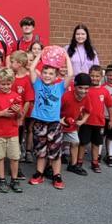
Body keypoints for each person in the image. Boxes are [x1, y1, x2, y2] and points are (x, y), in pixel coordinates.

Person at [28, 49, 74, 189]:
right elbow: (31, 68)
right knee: (41, 150)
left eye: (51, 74)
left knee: (55, 151)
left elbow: (71, 74)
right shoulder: (38, 84)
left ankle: (56, 175)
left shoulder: (60, 87)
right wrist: (40, 55)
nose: (47, 76)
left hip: (54, 123)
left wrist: (65, 56)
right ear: (41, 74)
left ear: (56, 76)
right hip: (39, 123)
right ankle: (39, 174)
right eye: (45, 73)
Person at [0, 68, 23, 193]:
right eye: (3, 84)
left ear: (12, 83)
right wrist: (2, 113)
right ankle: (1, 179)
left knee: (14, 157)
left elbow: (20, 115)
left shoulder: (16, 96)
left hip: (13, 132)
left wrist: (18, 112)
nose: (6, 86)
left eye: (8, 84)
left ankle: (14, 179)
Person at [78, 65, 112, 174]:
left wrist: (111, 119)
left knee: (96, 143)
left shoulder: (105, 91)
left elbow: (110, 106)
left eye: (97, 76)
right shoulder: (85, 89)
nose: (94, 78)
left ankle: (95, 162)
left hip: (99, 122)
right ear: (89, 75)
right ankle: (79, 162)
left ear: (101, 77)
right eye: (92, 76)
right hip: (86, 122)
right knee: (82, 142)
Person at [61, 73, 91, 176]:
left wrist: (82, 121)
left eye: (86, 88)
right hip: (60, 124)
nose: (83, 91)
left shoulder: (86, 97)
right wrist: (60, 120)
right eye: (80, 88)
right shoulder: (66, 96)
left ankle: (73, 165)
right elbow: (56, 109)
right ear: (75, 86)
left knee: (75, 143)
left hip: (72, 126)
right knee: (56, 145)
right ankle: (49, 166)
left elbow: (88, 111)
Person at [9, 50, 34, 165]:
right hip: (9, 115)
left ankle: (17, 166)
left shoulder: (27, 80)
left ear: (19, 63)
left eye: (12, 62)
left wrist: (21, 117)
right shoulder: (10, 77)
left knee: (17, 141)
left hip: (20, 117)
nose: (10, 64)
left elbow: (28, 101)